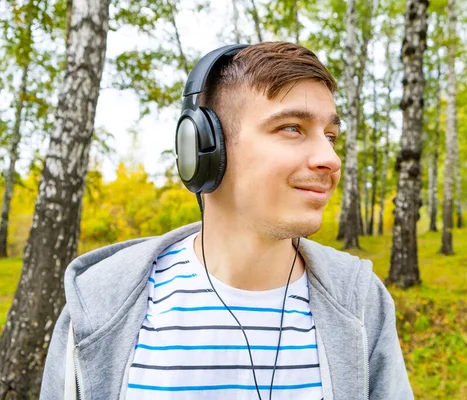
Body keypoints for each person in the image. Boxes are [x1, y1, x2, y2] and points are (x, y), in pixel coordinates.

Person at [41, 41, 413, 399]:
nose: (330, 159)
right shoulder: (99, 303)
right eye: (292, 128)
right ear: (203, 150)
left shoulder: (361, 301)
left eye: (330, 136)